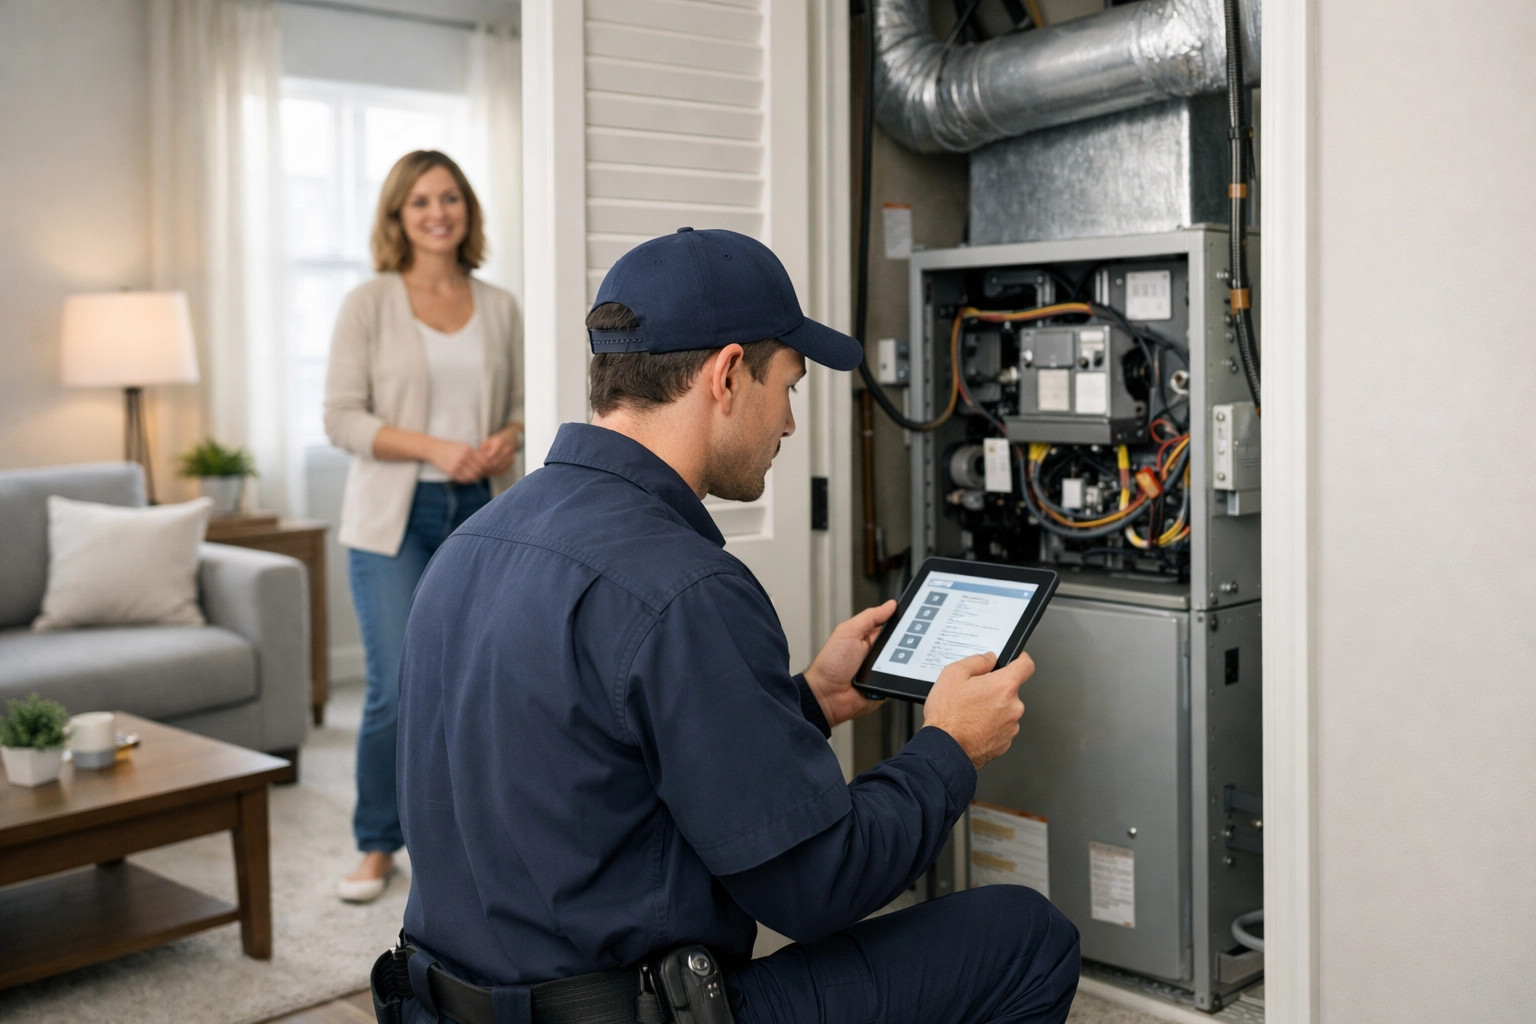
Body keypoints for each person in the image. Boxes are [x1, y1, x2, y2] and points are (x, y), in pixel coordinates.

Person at [390, 228, 1080, 1023]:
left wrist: (810, 700)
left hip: (447, 1007)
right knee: (1027, 936)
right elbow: (821, 887)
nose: (788, 424)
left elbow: (595, 758)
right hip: (628, 1015)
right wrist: (950, 749)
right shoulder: (686, 587)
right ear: (726, 374)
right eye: (788, 385)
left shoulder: (474, 541)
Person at [323, 150, 522, 904]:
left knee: (480, 686)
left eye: (449, 198)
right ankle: (377, 843)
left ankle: (471, 837)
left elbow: (531, 399)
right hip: (392, 519)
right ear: (397, 217)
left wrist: (510, 432)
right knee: (398, 690)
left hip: (484, 512)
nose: (437, 212)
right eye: (419, 202)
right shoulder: (369, 302)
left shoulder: (500, 304)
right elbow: (340, 418)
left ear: (466, 208)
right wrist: (433, 446)